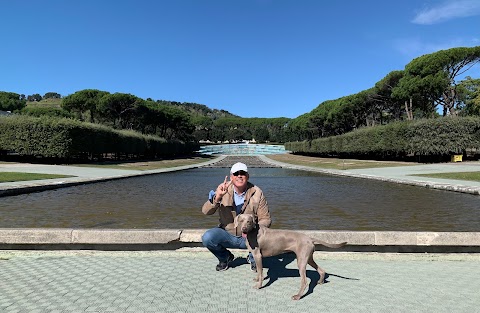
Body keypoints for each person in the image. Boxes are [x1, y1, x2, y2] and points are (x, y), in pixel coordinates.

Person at [201, 162, 272, 271]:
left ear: (247, 176)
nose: (239, 176)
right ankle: (225, 258)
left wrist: (254, 230)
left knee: (263, 235)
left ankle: (253, 258)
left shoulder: (257, 192)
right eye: (236, 173)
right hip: (228, 234)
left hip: (249, 236)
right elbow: (206, 211)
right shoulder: (223, 190)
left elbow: (266, 219)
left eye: (242, 173)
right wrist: (218, 197)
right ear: (231, 177)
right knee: (208, 237)